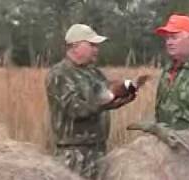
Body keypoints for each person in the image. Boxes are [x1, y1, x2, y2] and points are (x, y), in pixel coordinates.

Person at [45, 24, 135, 179]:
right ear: (75, 46)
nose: (96, 49)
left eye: (97, 45)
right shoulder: (59, 74)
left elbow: (106, 97)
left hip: (99, 151)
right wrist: (106, 99)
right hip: (73, 155)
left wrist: (123, 93)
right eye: (92, 45)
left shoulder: (94, 72)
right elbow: (74, 109)